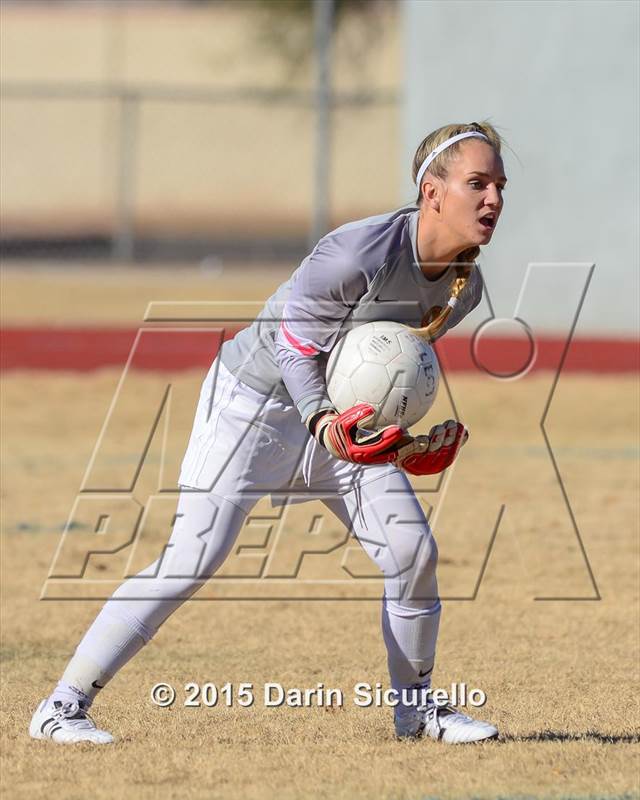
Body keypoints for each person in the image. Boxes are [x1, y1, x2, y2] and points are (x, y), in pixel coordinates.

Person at [30, 121, 507, 745]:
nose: (493, 199)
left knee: (412, 553)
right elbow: (294, 346)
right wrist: (323, 424)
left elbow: (386, 373)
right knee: (191, 559)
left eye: (500, 186)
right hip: (254, 404)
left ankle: (417, 714)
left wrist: (406, 444)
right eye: (478, 183)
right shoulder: (357, 253)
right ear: (432, 192)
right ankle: (61, 708)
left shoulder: (465, 290)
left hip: (336, 419)